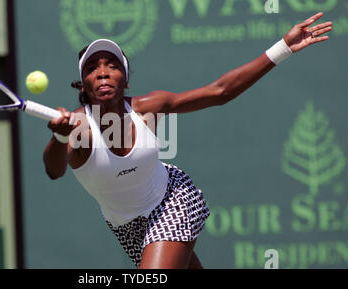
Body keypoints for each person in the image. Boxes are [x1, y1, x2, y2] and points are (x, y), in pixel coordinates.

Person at [43, 12, 332, 269]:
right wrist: (60, 136)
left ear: (126, 79)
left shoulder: (149, 107)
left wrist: (283, 48)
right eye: (92, 68)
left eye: (112, 65)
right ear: (83, 84)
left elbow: (220, 92)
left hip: (171, 200)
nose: (103, 71)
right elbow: (54, 171)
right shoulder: (81, 129)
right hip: (127, 227)